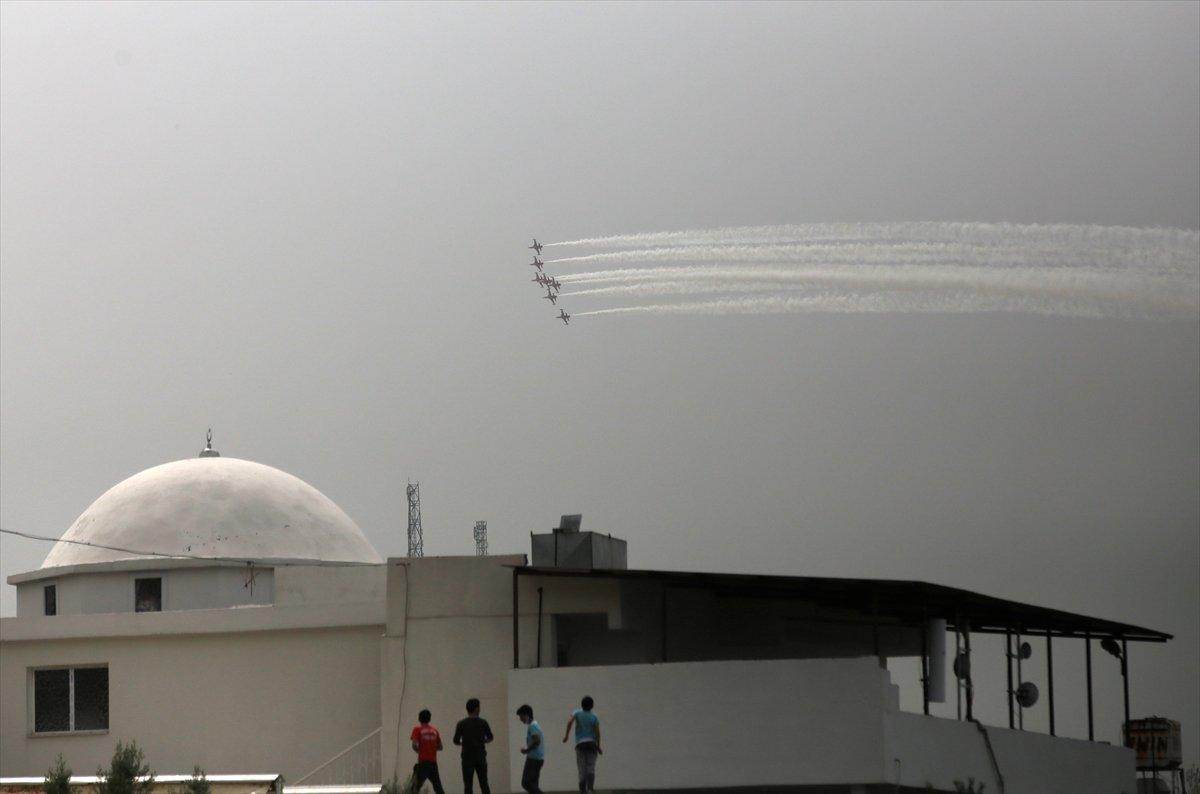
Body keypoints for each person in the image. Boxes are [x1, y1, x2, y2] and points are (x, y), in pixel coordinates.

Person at [452, 697, 493, 794]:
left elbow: (455, 740)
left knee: (468, 785)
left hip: (467, 758)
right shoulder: (483, 722)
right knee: (484, 784)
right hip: (481, 757)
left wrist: (464, 743)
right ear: (476, 709)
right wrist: (483, 741)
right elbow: (490, 737)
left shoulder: (461, 723)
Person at [562, 695, 601, 793]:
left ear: (581, 704)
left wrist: (566, 735)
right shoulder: (594, 716)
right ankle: (590, 789)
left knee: (581, 768)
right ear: (592, 706)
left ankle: (582, 790)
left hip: (580, 744)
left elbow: (570, 722)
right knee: (590, 766)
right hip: (592, 743)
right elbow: (597, 732)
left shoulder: (577, 712)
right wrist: (599, 745)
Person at [409, 708, 446, 794]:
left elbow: (414, 745)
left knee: (414, 788)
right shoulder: (434, 731)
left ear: (419, 719)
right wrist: (431, 746)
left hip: (423, 762)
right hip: (433, 763)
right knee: (438, 788)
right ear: (429, 719)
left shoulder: (417, 730)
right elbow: (440, 747)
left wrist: (419, 750)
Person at [515, 703, 544, 794]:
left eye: (521, 716)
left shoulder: (532, 726)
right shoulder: (535, 725)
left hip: (533, 759)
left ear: (526, 715)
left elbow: (537, 741)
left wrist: (526, 750)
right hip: (538, 758)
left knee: (526, 783)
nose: (520, 719)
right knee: (533, 784)